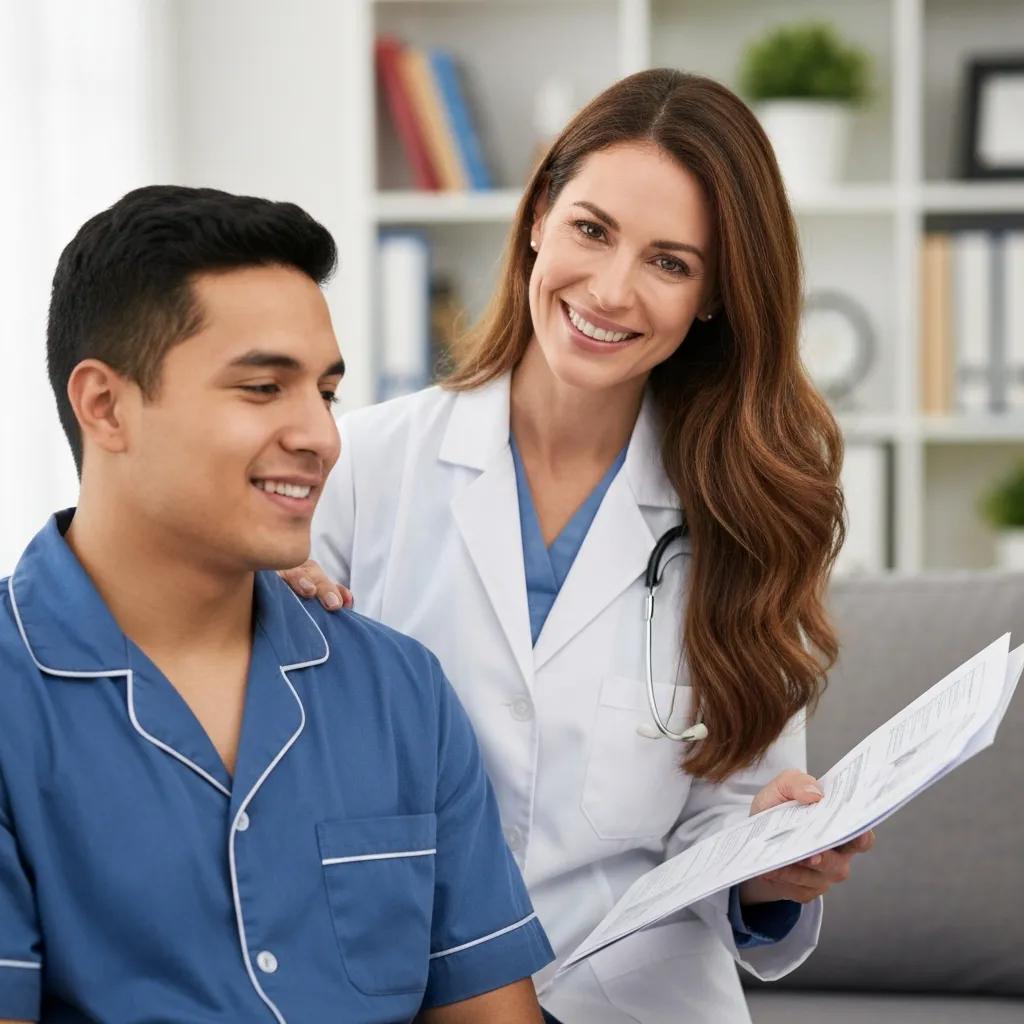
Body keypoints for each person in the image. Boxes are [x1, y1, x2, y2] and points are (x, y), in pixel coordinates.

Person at [284, 69, 876, 1024]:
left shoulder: (749, 516)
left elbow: (734, 819)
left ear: (716, 298)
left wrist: (774, 869)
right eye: (591, 230)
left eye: (670, 262)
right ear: (537, 220)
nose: (610, 289)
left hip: (631, 995)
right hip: (405, 986)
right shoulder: (359, 466)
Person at [0, 185, 554, 1024]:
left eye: (325, 392)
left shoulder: (400, 691)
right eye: (264, 388)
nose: (322, 436)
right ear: (105, 406)